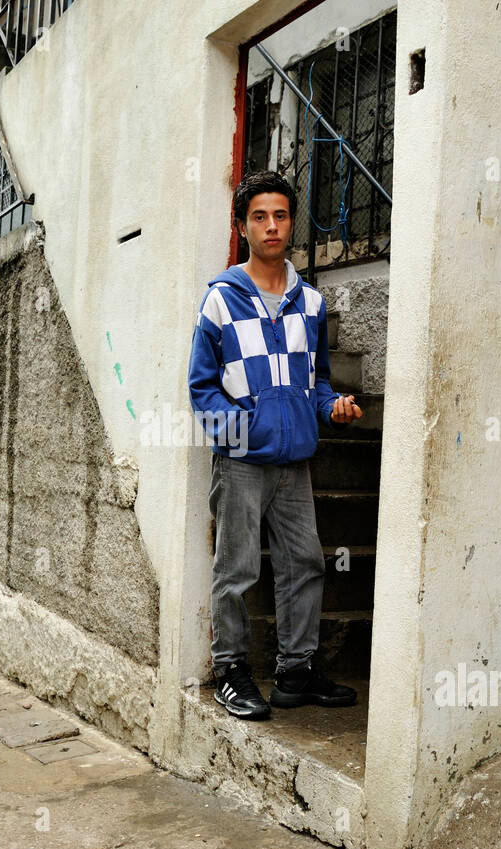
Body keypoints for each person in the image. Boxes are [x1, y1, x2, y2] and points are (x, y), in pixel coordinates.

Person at [187, 169, 363, 720]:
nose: (271, 226)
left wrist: (331, 408)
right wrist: (241, 431)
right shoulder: (221, 298)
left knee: (305, 561)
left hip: (296, 462)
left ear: (292, 223)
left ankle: (295, 670)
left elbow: (319, 381)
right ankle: (231, 670)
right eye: (259, 216)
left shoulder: (310, 303)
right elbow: (202, 386)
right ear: (243, 226)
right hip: (241, 462)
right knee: (237, 568)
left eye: (280, 215)